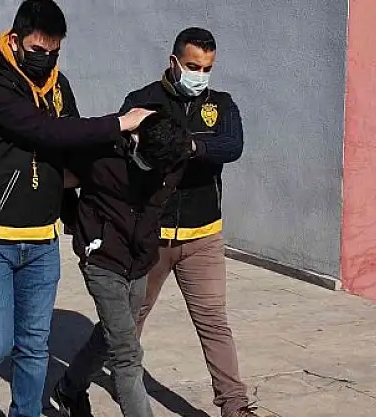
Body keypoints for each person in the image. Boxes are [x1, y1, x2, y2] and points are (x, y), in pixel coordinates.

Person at [0, 1, 156, 416]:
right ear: (14, 41)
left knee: (33, 345)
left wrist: (121, 151)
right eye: (37, 50)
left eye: (54, 51)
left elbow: (73, 143)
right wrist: (119, 122)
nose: (45, 59)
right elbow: (45, 130)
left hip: (41, 238)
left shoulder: (59, 86)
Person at [131, 29, 255, 417]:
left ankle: (234, 405)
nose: (199, 75)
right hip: (151, 237)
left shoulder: (221, 104)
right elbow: (125, 153)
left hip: (203, 237)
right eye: (192, 66)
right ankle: (76, 383)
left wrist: (191, 146)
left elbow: (232, 145)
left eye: (206, 68)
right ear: (174, 62)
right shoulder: (143, 101)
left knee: (214, 323)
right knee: (125, 322)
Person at [52, 111, 194, 417]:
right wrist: (79, 223)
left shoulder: (174, 156)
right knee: (127, 354)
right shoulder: (101, 151)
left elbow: (224, 145)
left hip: (139, 260)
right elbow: (59, 174)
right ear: (135, 137)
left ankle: (70, 387)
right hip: (102, 260)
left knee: (112, 335)